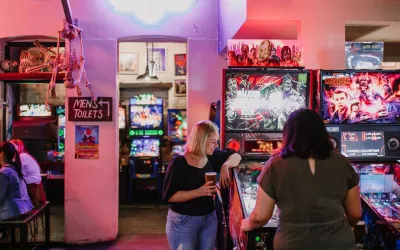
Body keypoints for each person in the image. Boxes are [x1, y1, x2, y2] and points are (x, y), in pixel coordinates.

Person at [241, 109, 361, 250]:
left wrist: (246, 223)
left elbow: (260, 216)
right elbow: (355, 214)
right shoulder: (342, 162)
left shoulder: (275, 164)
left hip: (293, 243)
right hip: (338, 242)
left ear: (289, 133)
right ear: (322, 132)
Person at [163, 120, 242, 250]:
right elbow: (170, 196)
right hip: (183, 220)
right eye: (213, 141)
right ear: (202, 140)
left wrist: (225, 165)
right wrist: (199, 192)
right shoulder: (179, 162)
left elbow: (236, 156)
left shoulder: (211, 156)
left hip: (209, 218)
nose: (216, 145)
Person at [0, 141, 33, 221]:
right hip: (20, 209)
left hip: (10, 212)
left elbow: (0, 196)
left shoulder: (5, 171)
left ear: (2, 154)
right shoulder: (13, 168)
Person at [10, 139, 46, 207]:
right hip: (35, 186)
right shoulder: (25, 155)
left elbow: (19, 174)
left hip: (31, 188)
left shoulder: (21, 157)